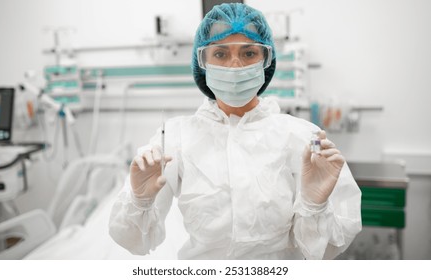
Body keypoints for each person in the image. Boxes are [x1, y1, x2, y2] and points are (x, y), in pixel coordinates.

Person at [109, 3, 362, 260]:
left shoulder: (302, 138)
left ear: (266, 59)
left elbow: (328, 249)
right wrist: (140, 201)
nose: (235, 66)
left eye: (249, 53)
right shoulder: (175, 138)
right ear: (202, 62)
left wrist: (315, 205)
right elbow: (135, 242)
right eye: (220, 54)